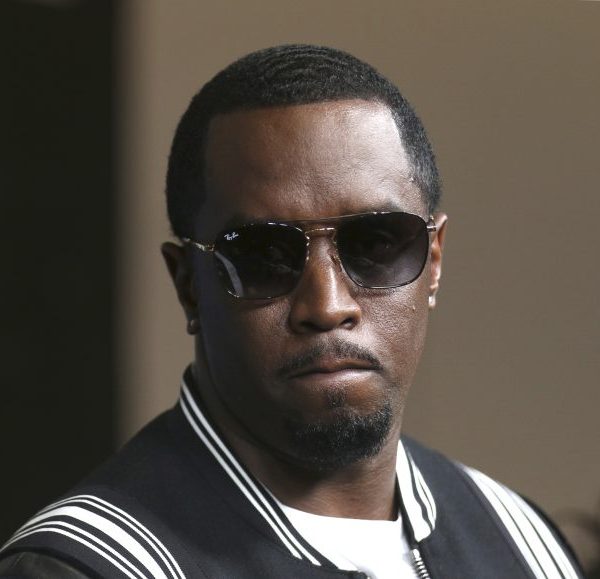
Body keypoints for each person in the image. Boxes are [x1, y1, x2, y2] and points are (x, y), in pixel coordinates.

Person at [0, 44, 583, 579]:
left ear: (433, 261)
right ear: (188, 286)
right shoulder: (88, 569)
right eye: (262, 256)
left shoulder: (524, 546)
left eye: (377, 243)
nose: (327, 305)